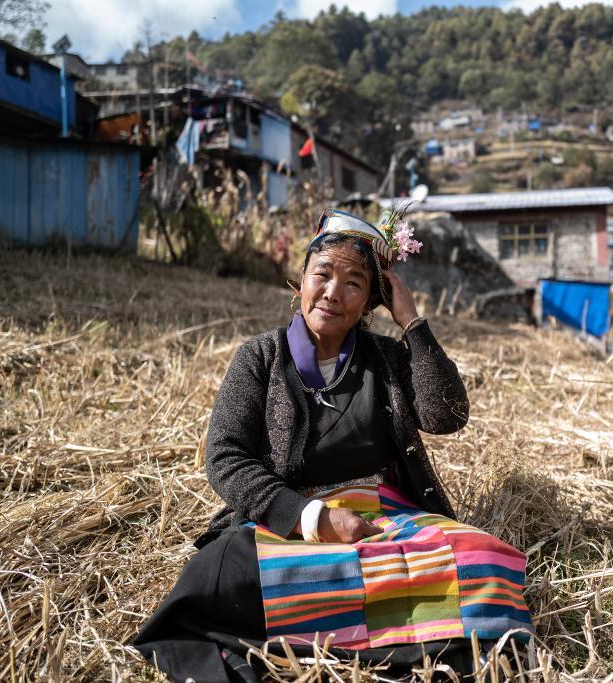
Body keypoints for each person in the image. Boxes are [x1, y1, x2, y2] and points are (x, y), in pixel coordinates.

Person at [133, 208, 533, 682]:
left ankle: (402, 644)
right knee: (220, 572)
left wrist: (412, 322)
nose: (333, 293)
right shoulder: (260, 357)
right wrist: (314, 519)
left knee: (481, 557)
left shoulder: (385, 359)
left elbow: (447, 416)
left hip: (383, 522)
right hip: (285, 523)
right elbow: (225, 457)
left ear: (369, 301)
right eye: (322, 274)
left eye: (354, 283)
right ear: (298, 281)